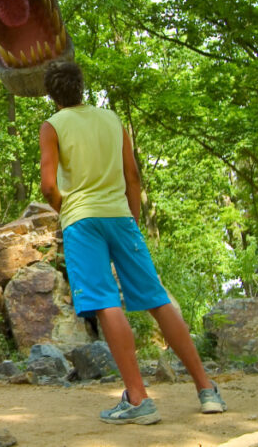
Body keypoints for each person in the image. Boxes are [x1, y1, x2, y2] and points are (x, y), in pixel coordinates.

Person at [38, 61, 227, 425]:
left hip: (82, 221)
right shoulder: (111, 119)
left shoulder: (52, 126)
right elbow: (133, 176)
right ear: (81, 87)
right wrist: (133, 220)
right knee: (156, 297)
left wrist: (68, 208)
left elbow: (48, 186)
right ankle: (207, 389)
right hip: (122, 218)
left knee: (106, 302)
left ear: (52, 94)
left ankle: (139, 399)